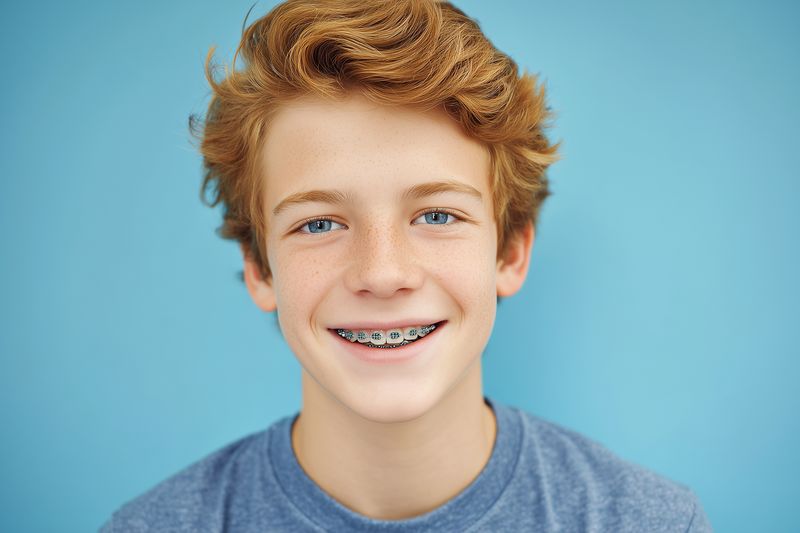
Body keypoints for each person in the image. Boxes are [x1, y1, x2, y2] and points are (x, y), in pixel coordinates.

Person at [100, 1, 712, 531]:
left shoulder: (647, 522)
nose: (384, 273)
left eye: (438, 216)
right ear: (260, 269)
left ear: (511, 253)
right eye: (319, 224)